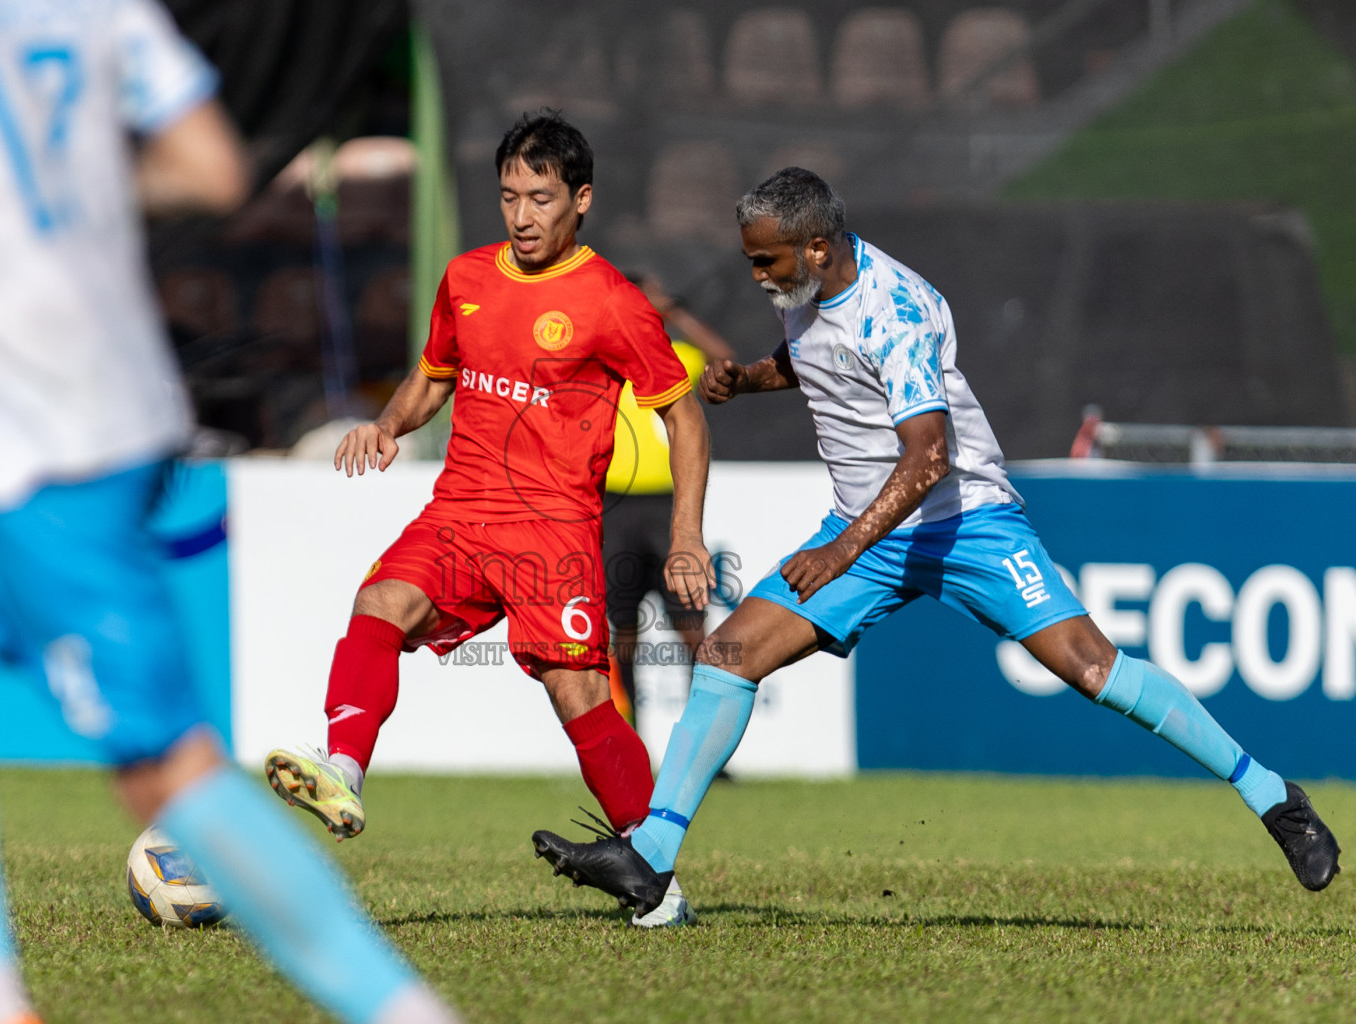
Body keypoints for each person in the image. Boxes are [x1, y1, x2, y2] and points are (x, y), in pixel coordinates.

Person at [0, 3, 457, 1023]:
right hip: (103, 409)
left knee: (167, 773)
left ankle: (401, 1009)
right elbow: (212, 171)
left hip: (49, 443)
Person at [530, 167, 1341, 916]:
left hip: (965, 522)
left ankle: (1275, 798)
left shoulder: (899, 310)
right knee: (728, 657)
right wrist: (747, 378)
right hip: (868, 532)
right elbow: (814, 357)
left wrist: (840, 552)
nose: (758, 276)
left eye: (766, 261)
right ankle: (653, 857)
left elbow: (930, 457)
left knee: (1096, 669)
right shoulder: (808, 289)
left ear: (815, 246)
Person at [261, 111, 714, 927]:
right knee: (379, 605)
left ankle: (658, 883)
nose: (523, 216)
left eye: (541, 199)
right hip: (462, 511)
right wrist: (388, 425)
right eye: (509, 197)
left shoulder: (613, 301)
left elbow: (684, 418)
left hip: (555, 530)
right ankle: (343, 774)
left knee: (579, 691)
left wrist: (685, 535)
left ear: (581, 200)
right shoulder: (467, 278)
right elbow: (433, 375)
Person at [602, 274, 736, 727]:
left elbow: (726, 362)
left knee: (692, 628)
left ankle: (700, 740)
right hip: (614, 507)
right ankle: (631, 740)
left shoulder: (676, 357)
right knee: (622, 631)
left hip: (668, 511)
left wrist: (676, 314)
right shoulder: (604, 360)